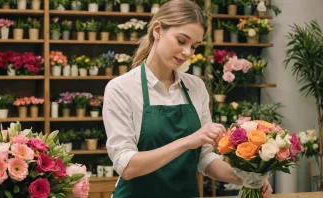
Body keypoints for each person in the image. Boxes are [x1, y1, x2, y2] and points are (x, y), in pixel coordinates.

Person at [103, 0, 273, 197]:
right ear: (157, 30)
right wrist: (188, 141)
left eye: (194, 46)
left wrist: (246, 177)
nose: (187, 53)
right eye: (181, 41)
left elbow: (205, 158)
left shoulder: (195, 87)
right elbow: (127, 166)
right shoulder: (121, 89)